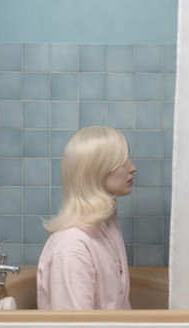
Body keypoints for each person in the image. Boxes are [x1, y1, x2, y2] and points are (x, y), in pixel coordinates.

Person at [37, 126, 136, 310]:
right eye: (122, 161)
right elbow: (74, 326)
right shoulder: (71, 248)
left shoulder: (106, 227)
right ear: (97, 171)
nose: (132, 168)